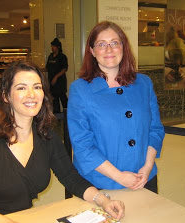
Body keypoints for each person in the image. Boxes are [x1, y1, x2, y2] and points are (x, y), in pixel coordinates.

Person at [0, 60, 125, 223]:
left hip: (22, 222)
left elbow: (71, 178)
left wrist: (103, 200)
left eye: (37, 87)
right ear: (6, 96)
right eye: (21, 88)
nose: (31, 95)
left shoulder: (46, 137)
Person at [67, 21, 165, 193]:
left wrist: (148, 166)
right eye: (101, 44)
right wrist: (120, 176)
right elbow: (82, 145)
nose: (109, 49)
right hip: (100, 184)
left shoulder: (144, 83)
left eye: (114, 43)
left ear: (123, 47)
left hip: (144, 178)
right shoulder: (80, 89)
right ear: (92, 51)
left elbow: (155, 129)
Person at [45, 37, 68, 113]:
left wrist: (56, 77)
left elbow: (64, 69)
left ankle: (66, 115)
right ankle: (57, 116)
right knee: (54, 100)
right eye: (51, 46)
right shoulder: (50, 56)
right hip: (51, 81)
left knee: (63, 98)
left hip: (60, 81)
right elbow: (47, 68)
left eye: (53, 46)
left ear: (58, 47)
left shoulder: (62, 57)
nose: (52, 48)